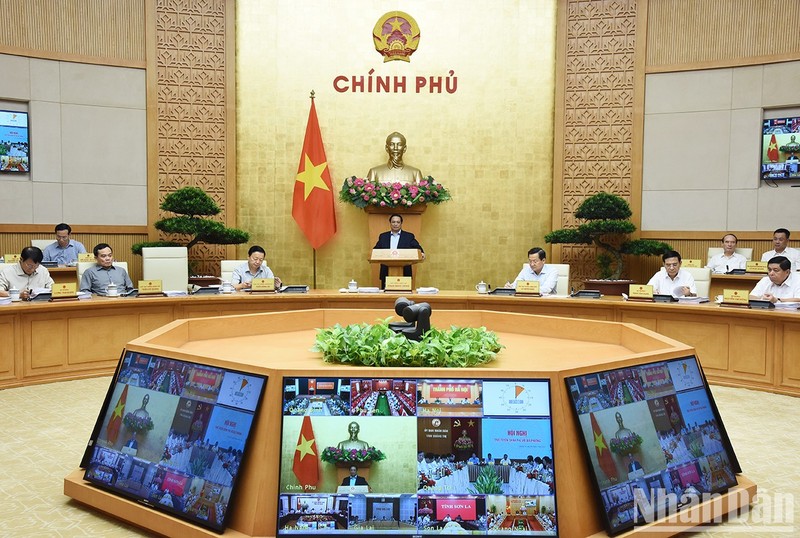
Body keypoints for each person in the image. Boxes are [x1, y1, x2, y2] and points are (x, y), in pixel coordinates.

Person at [373, 214, 425, 287]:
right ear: (390, 223)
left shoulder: (408, 236)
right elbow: (376, 250)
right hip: (386, 271)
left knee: (404, 296)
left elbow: (418, 248)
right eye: (393, 222)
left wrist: (421, 253)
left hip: (404, 271)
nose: (395, 224)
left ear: (401, 223)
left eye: (398, 222)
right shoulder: (383, 236)